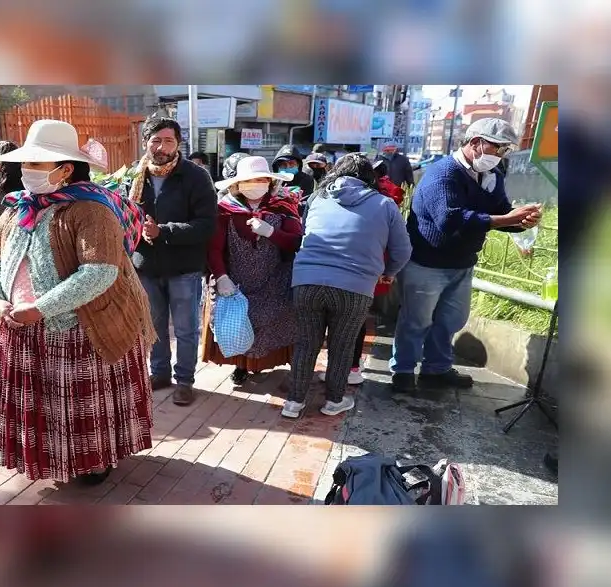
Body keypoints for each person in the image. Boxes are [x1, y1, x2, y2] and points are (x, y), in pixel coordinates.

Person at [0, 119, 156, 485]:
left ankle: (94, 460)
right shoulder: (19, 209)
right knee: (42, 405)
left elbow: (99, 272)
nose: (26, 172)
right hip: (19, 326)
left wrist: (39, 308)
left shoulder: (90, 210)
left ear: (65, 169)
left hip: (78, 330)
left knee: (77, 406)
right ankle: (50, 457)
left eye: (36, 164)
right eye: (25, 164)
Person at [390, 118, 542, 393]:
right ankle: (402, 370)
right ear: (476, 143)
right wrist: (505, 219)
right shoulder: (443, 173)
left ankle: (436, 368)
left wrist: (521, 222)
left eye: (505, 150)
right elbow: (449, 219)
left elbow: (501, 212)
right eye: (498, 148)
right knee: (417, 320)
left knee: (451, 320)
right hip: (427, 262)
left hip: (461, 263)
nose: (502, 155)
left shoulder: (493, 176)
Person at [283, 153, 412, 419]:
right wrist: (388, 273)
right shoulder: (385, 204)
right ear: (370, 177)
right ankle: (333, 401)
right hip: (355, 286)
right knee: (342, 345)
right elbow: (402, 249)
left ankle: (293, 404)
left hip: (308, 281)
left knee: (306, 343)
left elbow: (305, 231)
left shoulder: (318, 198)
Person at [128, 116, 218, 406]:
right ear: (145, 143)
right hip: (146, 265)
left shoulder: (195, 176)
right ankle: (160, 373)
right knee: (152, 326)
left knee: (185, 328)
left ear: (178, 143)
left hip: (184, 267)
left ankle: (185, 381)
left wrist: (163, 231)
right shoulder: (135, 176)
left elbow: (207, 225)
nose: (162, 146)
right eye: (156, 140)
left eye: (168, 140)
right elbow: (125, 215)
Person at [200, 156, 302, 385]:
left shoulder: (283, 206)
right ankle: (241, 365)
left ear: (269, 181)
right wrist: (221, 276)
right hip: (237, 279)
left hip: (276, 278)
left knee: (277, 320)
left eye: (260, 179)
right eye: (249, 180)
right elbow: (214, 249)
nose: (254, 184)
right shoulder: (224, 210)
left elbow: (295, 243)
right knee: (239, 321)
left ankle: (283, 365)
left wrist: (271, 233)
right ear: (237, 184)